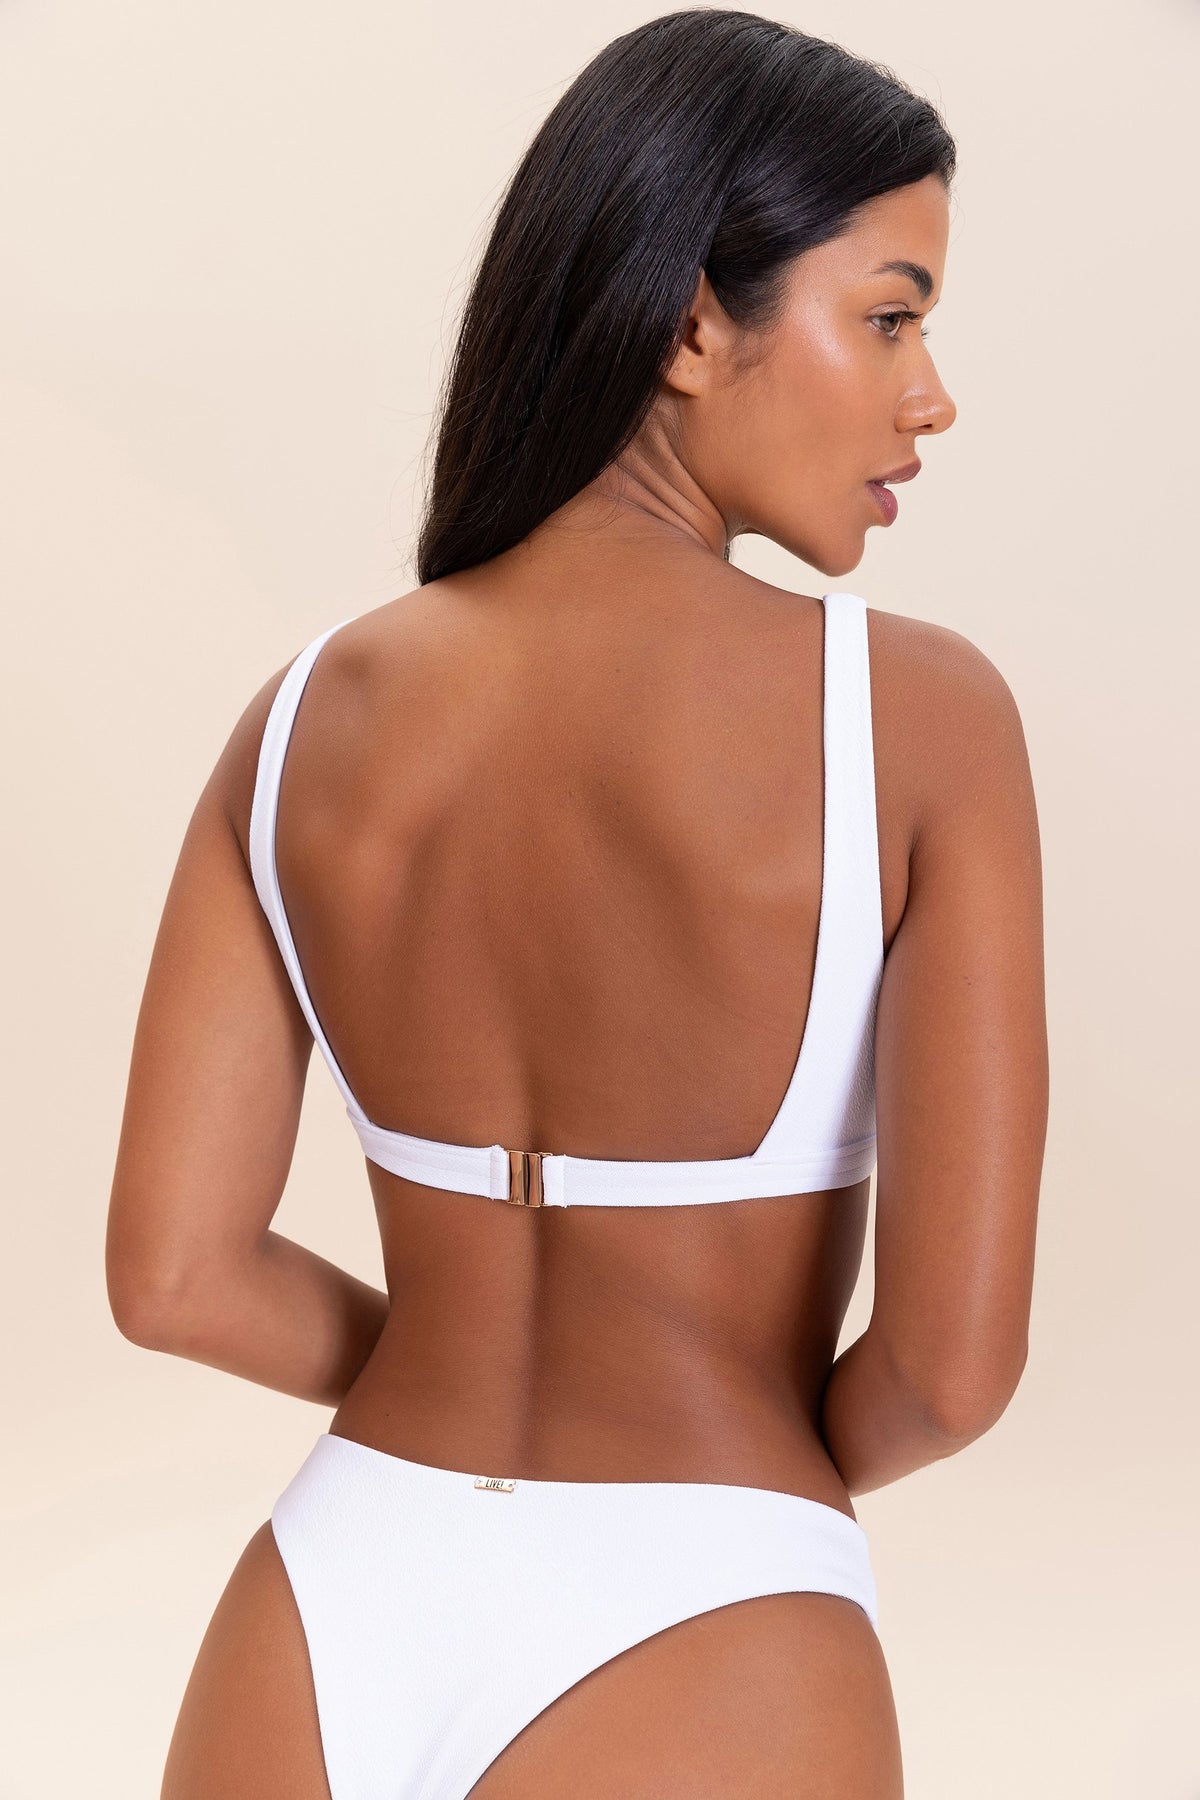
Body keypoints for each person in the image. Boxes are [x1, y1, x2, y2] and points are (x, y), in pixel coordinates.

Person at [105, 11, 1048, 1798]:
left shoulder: (301, 721)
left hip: (329, 1586)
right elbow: (950, 1371)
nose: (930, 395)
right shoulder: (918, 721)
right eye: (891, 316)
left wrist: (445, 1370)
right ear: (694, 324)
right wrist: (739, 1454)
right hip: (711, 1607)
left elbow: (173, 1278)